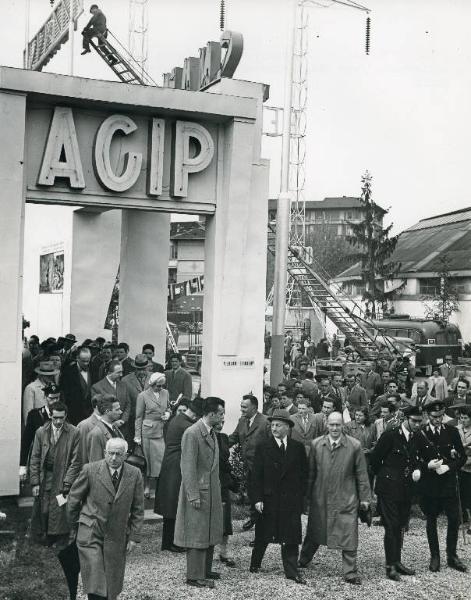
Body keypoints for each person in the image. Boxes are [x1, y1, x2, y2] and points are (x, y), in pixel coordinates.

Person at [298, 412, 371, 585]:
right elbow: (310, 474)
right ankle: (304, 559)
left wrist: (365, 498)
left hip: (346, 497)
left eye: (338, 424)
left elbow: (362, 474)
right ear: (327, 425)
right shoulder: (316, 444)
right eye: (331, 424)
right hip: (320, 496)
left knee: (348, 533)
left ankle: (350, 571)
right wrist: (306, 498)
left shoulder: (354, 446)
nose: (335, 428)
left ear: (343, 426)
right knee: (315, 529)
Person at [67, 437, 144, 600]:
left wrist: (134, 537)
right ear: (104, 453)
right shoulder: (90, 470)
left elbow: (138, 509)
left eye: (118, 454)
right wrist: (76, 526)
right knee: (95, 578)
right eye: (110, 453)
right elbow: (73, 499)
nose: (114, 458)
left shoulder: (134, 474)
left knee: (111, 582)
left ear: (125, 455)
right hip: (91, 531)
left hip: (117, 534)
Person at [29, 401, 81, 600]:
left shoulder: (74, 433)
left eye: (61, 417)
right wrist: (35, 481)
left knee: (60, 509)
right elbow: (34, 457)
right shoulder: (41, 432)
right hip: (46, 477)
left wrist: (67, 483)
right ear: (50, 415)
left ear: (66, 416)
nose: (58, 421)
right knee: (44, 509)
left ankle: (60, 538)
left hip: (62, 478)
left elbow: (76, 460)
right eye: (55, 417)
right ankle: (47, 537)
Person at [250, 409, 308, 584]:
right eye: (272, 425)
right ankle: (255, 562)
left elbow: (304, 475)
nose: (274, 428)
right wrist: (257, 498)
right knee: (263, 534)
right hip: (269, 499)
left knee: (290, 536)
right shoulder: (262, 446)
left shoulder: (297, 448)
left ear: (287, 428)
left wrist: (300, 498)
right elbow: (255, 476)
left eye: (278, 425)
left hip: (290, 500)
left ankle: (291, 571)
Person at [174, 397, 225, 589]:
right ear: (211, 413)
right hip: (198, 492)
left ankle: (205, 569)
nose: (222, 417)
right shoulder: (192, 433)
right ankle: (194, 576)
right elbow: (187, 467)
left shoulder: (211, 432)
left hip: (211, 490)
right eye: (220, 413)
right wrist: (193, 494)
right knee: (196, 532)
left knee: (210, 530)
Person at [369, 405, 425, 581]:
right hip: (389, 488)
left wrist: (417, 469)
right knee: (391, 526)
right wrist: (387, 476)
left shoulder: (417, 437)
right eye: (414, 421)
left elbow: (419, 457)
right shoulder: (391, 435)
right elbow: (375, 460)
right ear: (406, 419)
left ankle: (397, 561)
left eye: (419, 422)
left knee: (400, 525)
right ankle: (390, 566)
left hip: (407, 488)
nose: (417, 424)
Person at [417, 398, 467, 572]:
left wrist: (448, 466)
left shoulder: (452, 431)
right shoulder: (421, 432)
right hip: (430, 485)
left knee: (454, 519)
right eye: (434, 416)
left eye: (440, 416)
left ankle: (452, 555)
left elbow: (462, 457)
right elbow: (415, 459)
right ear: (427, 415)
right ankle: (435, 556)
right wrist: (427, 466)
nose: (438, 419)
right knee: (431, 520)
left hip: (448, 484)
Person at [154, 398, 202, 551]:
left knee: (170, 506)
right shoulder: (189, 426)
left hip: (170, 465)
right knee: (176, 505)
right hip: (177, 466)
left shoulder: (177, 419)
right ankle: (174, 543)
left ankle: (168, 542)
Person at [228, 394, 270, 532]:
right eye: (241, 406)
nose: (242, 409)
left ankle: (262, 530)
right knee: (252, 494)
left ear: (254, 407)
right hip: (248, 467)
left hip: (263, 468)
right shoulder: (242, 420)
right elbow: (233, 438)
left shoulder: (265, 422)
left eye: (244, 407)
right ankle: (254, 518)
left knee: (262, 496)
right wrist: (216, 445)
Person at [134, 373, 170, 498]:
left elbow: (168, 408)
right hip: (148, 432)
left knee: (160, 460)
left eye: (161, 386)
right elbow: (138, 417)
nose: (160, 388)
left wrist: (168, 414)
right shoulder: (142, 396)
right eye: (157, 386)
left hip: (161, 431)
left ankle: (159, 487)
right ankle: (147, 487)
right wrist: (137, 435)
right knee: (148, 462)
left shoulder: (165, 393)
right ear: (152, 384)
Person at [20, 383, 61, 481]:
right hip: (41, 460)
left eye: (57, 398)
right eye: (51, 398)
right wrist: (22, 465)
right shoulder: (35, 415)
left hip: (58, 460)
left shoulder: (63, 414)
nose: (55, 401)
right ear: (45, 397)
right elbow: (26, 441)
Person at [215, 417, 237, 568]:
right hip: (210, 481)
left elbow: (224, 458)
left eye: (223, 421)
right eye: (218, 421)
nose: (220, 424)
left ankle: (223, 551)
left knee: (225, 517)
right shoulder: (205, 436)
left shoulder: (223, 437)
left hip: (222, 482)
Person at [91, 360, 130, 438]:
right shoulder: (97, 387)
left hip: (123, 427)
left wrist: (122, 420)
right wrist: (112, 423)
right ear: (109, 373)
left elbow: (128, 404)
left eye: (121, 372)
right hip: (106, 428)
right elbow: (99, 409)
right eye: (118, 372)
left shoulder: (123, 385)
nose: (121, 375)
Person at [121, 354, 151, 444]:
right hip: (132, 421)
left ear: (148, 367)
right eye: (139, 369)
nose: (141, 372)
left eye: (144, 369)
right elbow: (125, 403)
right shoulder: (125, 380)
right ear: (134, 368)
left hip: (151, 421)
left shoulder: (155, 378)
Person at [60, 347, 93, 426]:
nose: (86, 363)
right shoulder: (67, 372)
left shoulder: (93, 369)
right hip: (74, 414)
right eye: (83, 361)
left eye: (88, 361)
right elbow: (64, 395)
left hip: (90, 413)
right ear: (77, 358)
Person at [88, 395, 124, 463]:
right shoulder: (97, 433)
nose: (121, 412)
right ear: (107, 411)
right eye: (117, 409)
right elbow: (95, 464)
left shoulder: (114, 427)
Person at [344, 407, 376, 484]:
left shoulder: (372, 426)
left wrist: (370, 450)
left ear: (365, 417)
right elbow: (345, 442)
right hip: (353, 458)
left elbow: (375, 442)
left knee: (367, 481)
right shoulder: (348, 426)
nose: (357, 417)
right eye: (356, 415)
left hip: (367, 459)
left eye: (360, 415)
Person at [457, 406, 471, 530]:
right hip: (459, 465)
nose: (463, 420)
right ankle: (463, 519)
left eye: (465, 418)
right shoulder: (457, 429)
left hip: (470, 466)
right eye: (461, 418)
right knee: (461, 494)